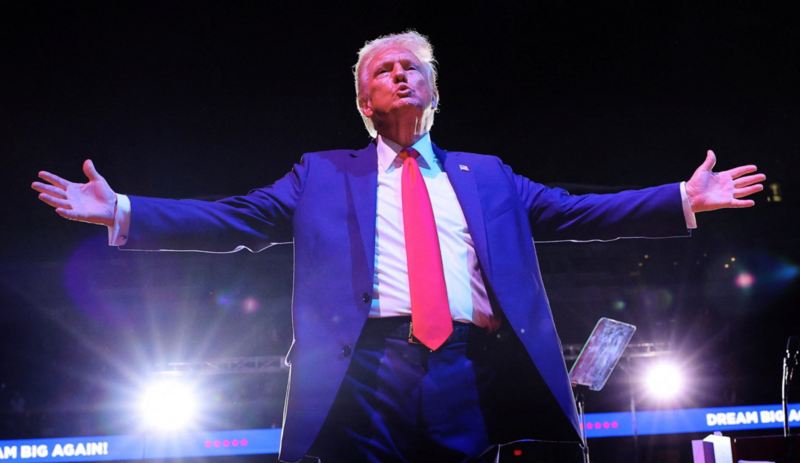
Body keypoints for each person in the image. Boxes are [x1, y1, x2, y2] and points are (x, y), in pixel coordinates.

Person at [32, 31, 765, 463]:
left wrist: (681, 196)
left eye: (412, 65)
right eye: (382, 69)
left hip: (474, 367)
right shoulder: (320, 173)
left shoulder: (491, 175)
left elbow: (579, 212)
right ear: (364, 101)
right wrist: (123, 209)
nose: (399, 72)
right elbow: (235, 219)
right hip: (367, 371)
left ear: (435, 91)